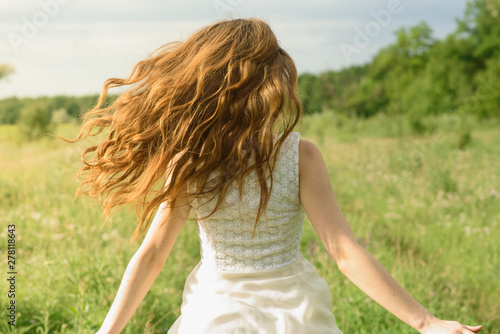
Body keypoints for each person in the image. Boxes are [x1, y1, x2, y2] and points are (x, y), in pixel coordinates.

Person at [67, 18, 483, 334]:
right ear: (261, 84)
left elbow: (153, 256)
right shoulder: (299, 155)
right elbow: (343, 252)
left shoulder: (190, 160)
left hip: (214, 313)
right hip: (295, 313)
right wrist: (426, 323)